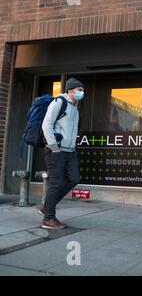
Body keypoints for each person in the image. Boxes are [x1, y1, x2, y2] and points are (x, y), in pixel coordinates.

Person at [40, 78, 85, 229]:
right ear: (70, 90)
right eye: (78, 89)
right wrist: (54, 146)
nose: (81, 92)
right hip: (56, 150)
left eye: (82, 90)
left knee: (74, 178)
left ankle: (47, 206)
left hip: (70, 151)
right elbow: (47, 124)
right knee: (56, 183)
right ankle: (48, 219)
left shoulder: (75, 108)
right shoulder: (59, 102)